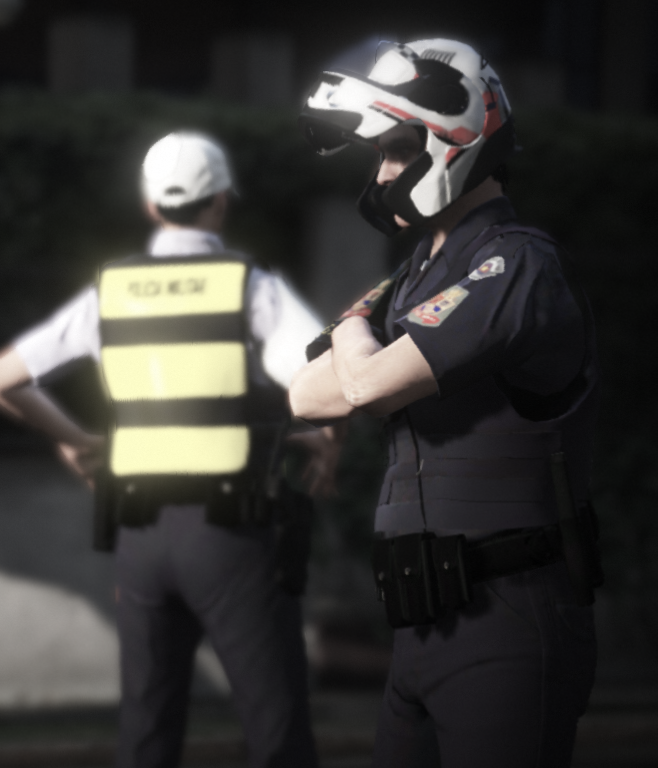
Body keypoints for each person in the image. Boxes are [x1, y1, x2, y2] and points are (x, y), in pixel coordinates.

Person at [0, 131, 340, 768]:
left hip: (140, 538)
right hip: (232, 536)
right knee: (276, 728)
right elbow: (327, 380)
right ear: (221, 201)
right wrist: (313, 436)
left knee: (147, 734)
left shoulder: (110, 292)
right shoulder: (250, 287)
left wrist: (77, 441)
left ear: (150, 205)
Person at [293, 39, 601, 767]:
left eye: (397, 151)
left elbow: (363, 386)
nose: (382, 174)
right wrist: (361, 339)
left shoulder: (514, 263)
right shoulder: (416, 277)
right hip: (421, 631)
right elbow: (307, 396)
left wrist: (351, 329)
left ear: (452, 140)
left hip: (504, 619)